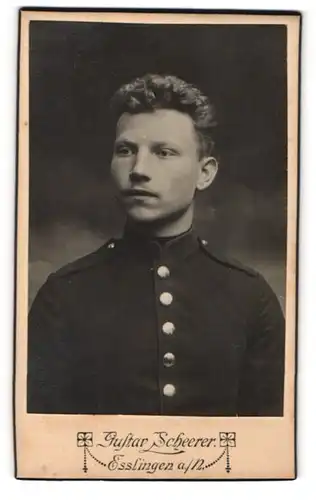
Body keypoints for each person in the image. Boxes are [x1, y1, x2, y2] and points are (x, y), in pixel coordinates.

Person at [27, 74, 285, 416]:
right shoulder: (63, 295)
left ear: (205, 173)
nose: (139, 169)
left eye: (164, 152)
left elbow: (271, 447)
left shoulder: (251, 298)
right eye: (125, 150)